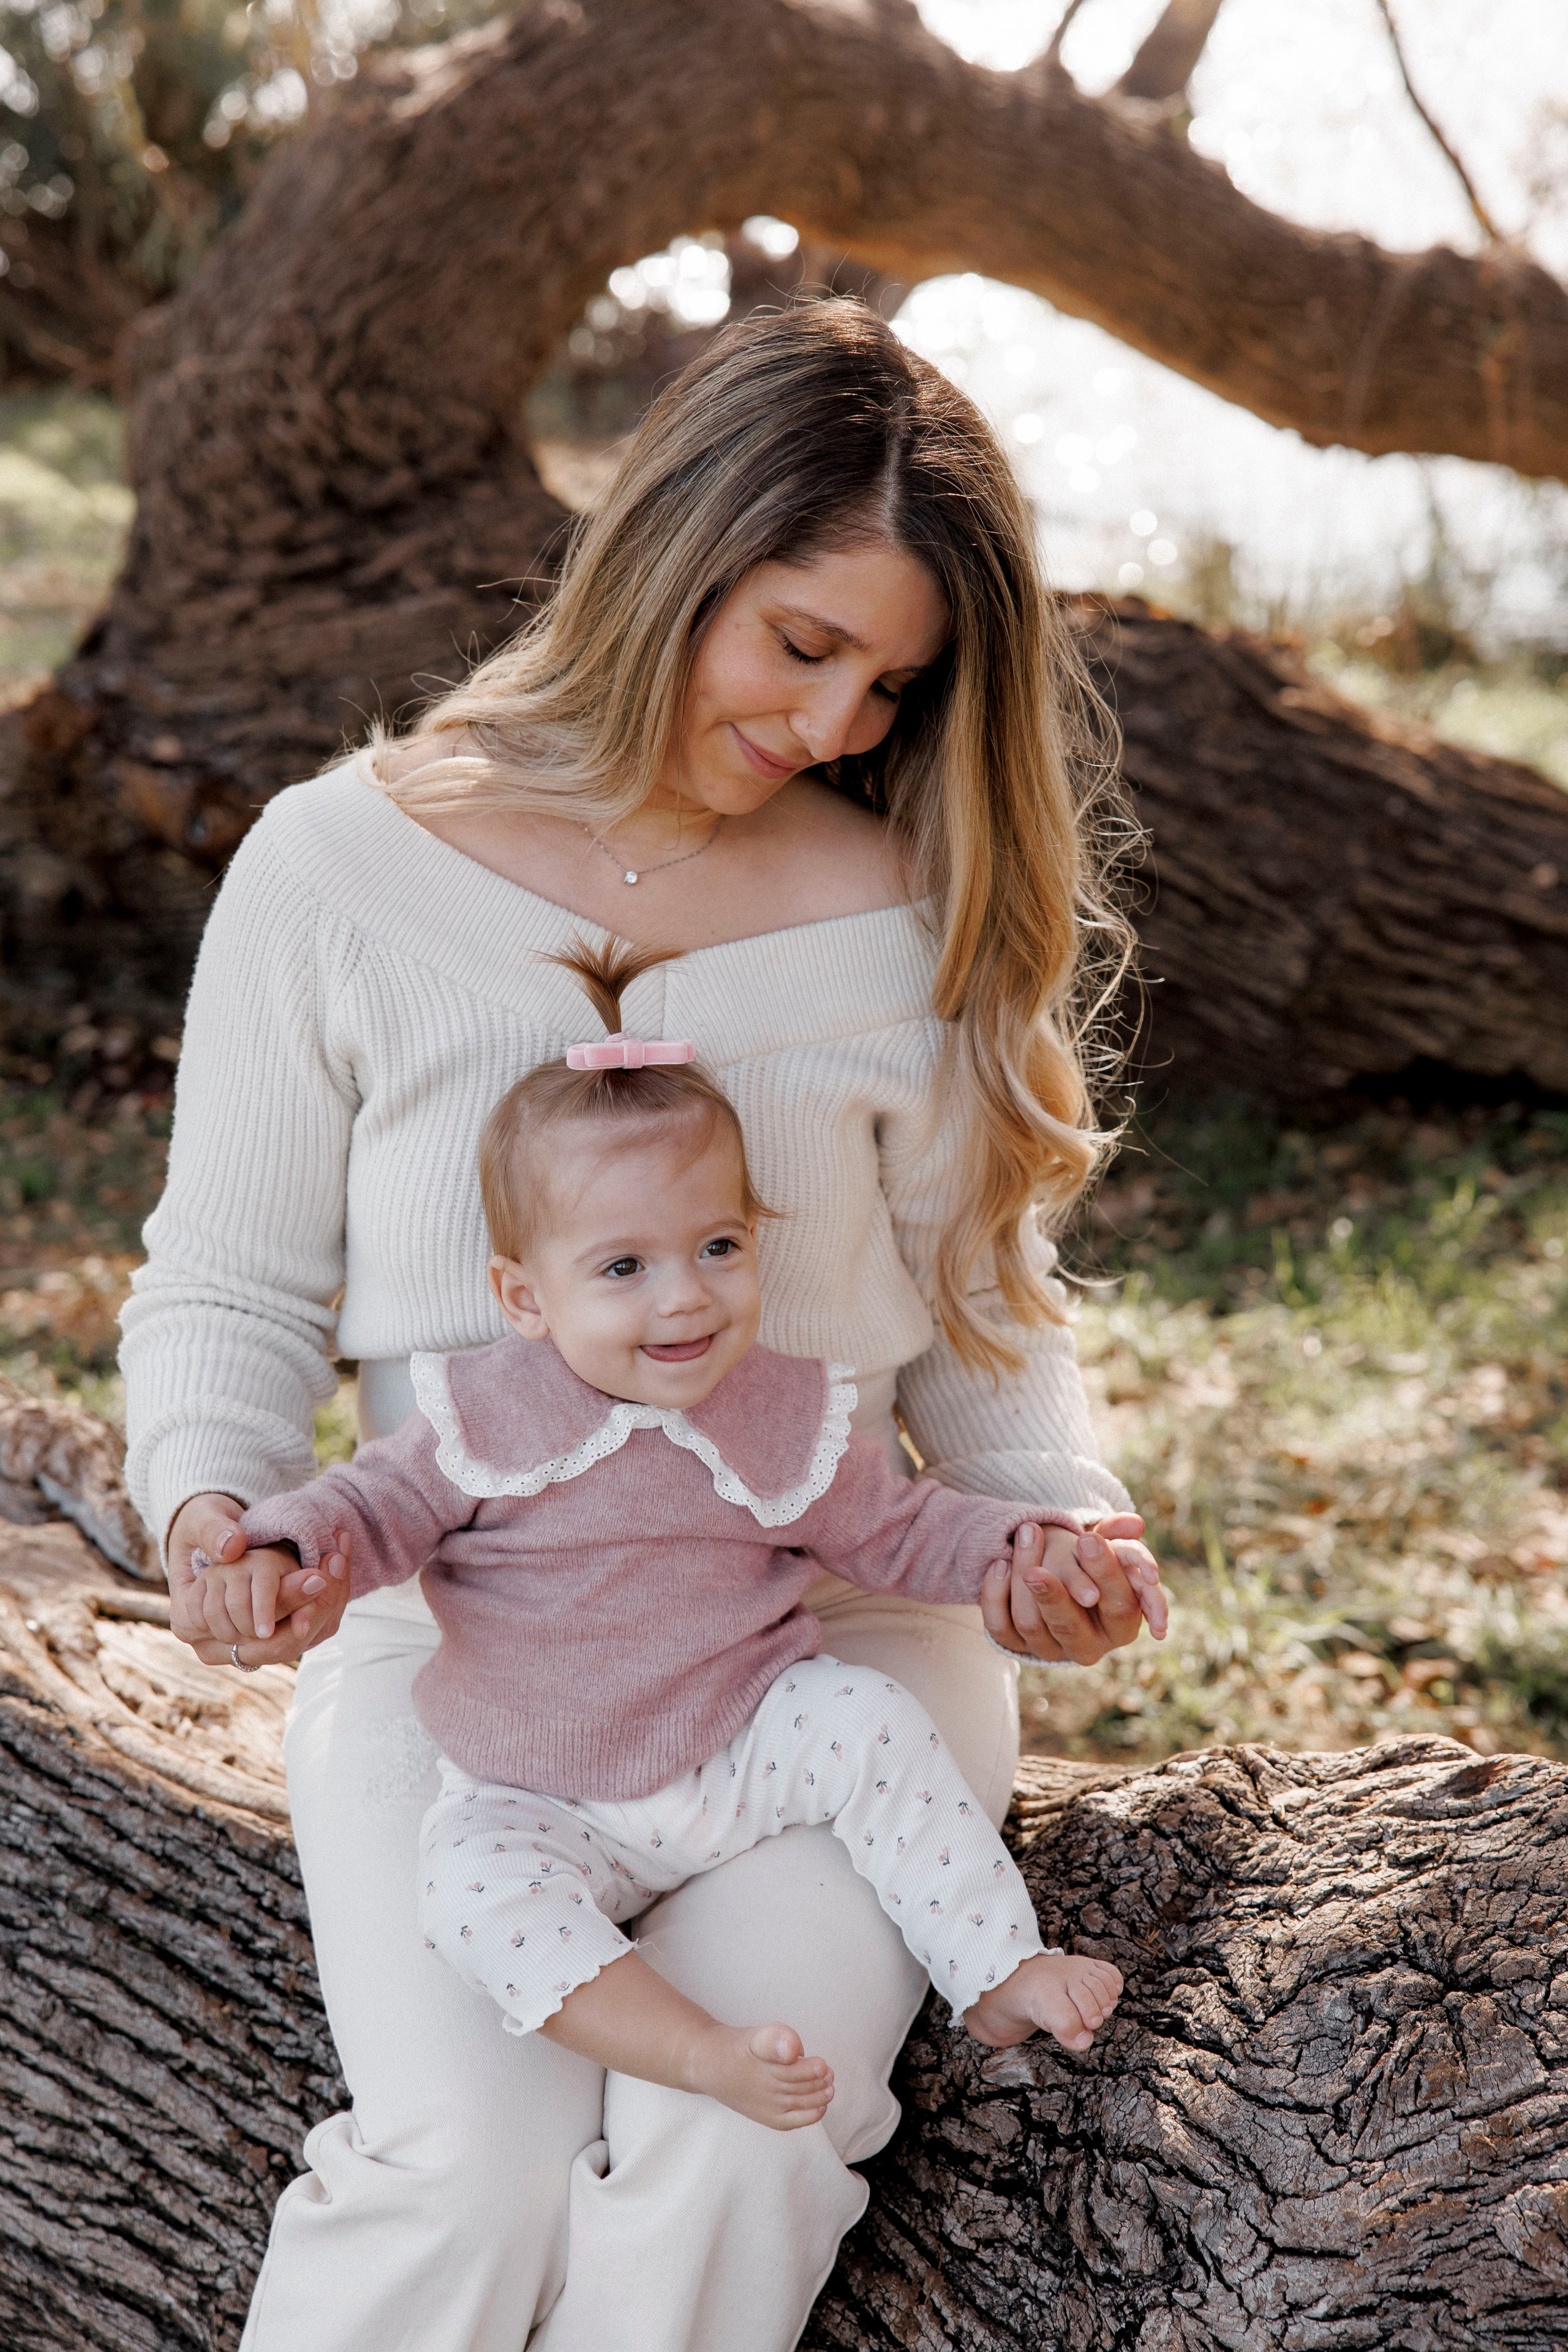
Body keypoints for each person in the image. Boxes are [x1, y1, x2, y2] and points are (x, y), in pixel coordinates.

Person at [123, 297, 1161, 2351]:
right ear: (674, 550)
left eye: (894, 682)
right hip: (459, 1647)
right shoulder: (336, 869)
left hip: (830, 1651)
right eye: (802, 643)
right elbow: (228, 1284)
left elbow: (981, 1317)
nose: (843, 720)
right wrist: (219, 1516)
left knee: (737, 2133)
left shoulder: (906, 910)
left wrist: (1058, 1530)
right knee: (465, 2174)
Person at [203, 938, 1156, 2132]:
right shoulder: (481, 1417)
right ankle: (693, 2052)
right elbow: (362, 1512)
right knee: (466, 1890)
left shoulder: (774, 1409)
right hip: (536, 1782)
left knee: (865, 1718)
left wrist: (1026, 1546)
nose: (684, 1297)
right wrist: (284, 1549)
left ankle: (997, 1967)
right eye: (623, 1267)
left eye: (718, 1246)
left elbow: (899, 1528)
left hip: (737, 1738)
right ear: (523, 1298)